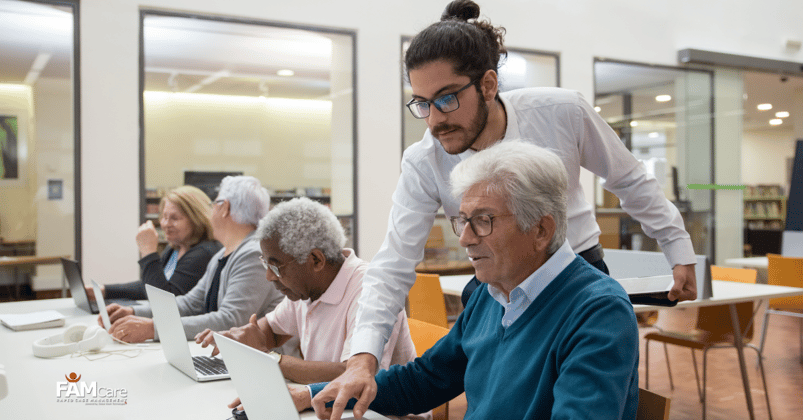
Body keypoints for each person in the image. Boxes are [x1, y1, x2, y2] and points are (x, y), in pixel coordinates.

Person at [321, 2, 697, 417]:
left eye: (446, 99)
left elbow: (629, 179)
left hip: (572, 279)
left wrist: (678, 251)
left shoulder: (560, 112)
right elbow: (393, 265)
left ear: (487, 84)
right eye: (422, 103)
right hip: (498, 284)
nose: (433, 121)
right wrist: (360, 361)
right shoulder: (425, 160)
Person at [306, 141, 639, 419]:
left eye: (483, 220)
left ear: (541, 230)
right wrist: (309, 395)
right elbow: (424, 380)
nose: (464, 238)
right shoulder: (489, 293)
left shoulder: (598, 311)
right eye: (463, 221)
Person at [195, 197, 423, 417]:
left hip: (387, 412)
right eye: (265, 264)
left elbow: (352, 375)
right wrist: (238, 339)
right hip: (332, 406)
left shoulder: (369, 290)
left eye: (275, 266)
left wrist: (268, 358)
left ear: (316, 260)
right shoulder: (305, 290)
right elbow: (270, 331)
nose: (268, 277)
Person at [103, 176, 286, 344]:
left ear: (224, 207)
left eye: (214, 204)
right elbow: (190, 303)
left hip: (259, 362)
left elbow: (231, 320)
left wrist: (154, 328)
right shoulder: (221, 255)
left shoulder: (253, 254)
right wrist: (135, 312)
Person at [89, 185, 221, 301]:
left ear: (196, 219)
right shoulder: (174, 249)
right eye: (164, 217)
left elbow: (164, 300)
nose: (166, 224)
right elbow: (150, 285)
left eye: (174, 218)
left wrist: (148, 252)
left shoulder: (203, 253)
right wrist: (105, 290)